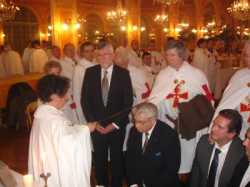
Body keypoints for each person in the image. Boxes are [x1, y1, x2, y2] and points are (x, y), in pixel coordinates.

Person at [149, 40, 212, 175]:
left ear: (182, 55)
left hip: (190, 124)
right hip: (168, 123)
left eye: (172, 55)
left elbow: (207, 99)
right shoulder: (163, 74)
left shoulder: (197, 74)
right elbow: (155, 98)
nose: (168, 58)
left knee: (189, 157)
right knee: (170, 157)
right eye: (167, 55)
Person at [81, 39, 133, 187]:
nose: (104, 57)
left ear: (113, 55)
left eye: (107, 54)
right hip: (97, 126)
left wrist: (115, 124)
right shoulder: (90, 72)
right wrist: (94, 123)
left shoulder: (123, 74)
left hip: (116, 127)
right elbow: (85, 101)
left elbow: (127, 103)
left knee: (117, 159)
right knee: (99, 160)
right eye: (101, 54)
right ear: (97, 56)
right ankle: (101, 184)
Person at [28, 75, 96, 187]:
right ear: (54, 96)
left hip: (47, 165)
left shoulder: (42, 114)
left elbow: (64, 134)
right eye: (64, 94)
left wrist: (81, 128)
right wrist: (86, 129)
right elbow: (68, 145)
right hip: (54, 170)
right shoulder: (54, 120)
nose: (67, 97)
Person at [126, 102, 181, 187]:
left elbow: (171, 169)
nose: (136, 125)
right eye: (135, 121)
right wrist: (133, 183)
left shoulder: (169, 135)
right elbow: (130, 159)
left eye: (140, 122)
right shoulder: (134, 131)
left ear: (152, 120)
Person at [190, 109, 245, 187]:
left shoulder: (242, 153)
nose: (212, 129)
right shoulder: (204, 142)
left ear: (231, 134)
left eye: (220, 127)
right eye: (214, 123)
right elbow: (196, 174)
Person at [208, 40, 250, 140]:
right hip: (240, 134)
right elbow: (225, 106)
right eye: (246, 55)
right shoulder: (239, 76)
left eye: (248, 55)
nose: (246, 59)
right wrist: (214, 130)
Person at [73, 41, 96, 124]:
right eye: (87, 51)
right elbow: (76, 91)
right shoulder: (79, 68)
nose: (90, 54)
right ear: (82, 53)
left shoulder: (96, 65)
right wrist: (79, 110)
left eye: (92, 51)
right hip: (86, 104)